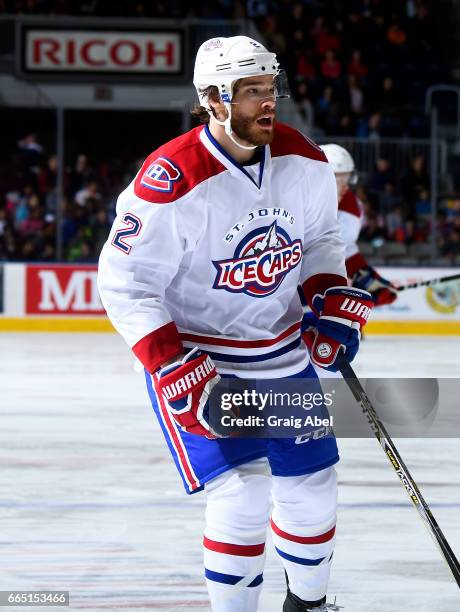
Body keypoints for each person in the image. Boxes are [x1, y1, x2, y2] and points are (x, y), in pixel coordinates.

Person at [98, 36, 373, 612]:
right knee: (244, 493)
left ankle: (309, 606)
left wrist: (326, 298)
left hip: (281, 353)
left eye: (270, 89)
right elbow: (126, 281)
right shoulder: (172, 178)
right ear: (212, 100)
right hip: (203, 361)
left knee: (313, 487)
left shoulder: (303, 157)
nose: (266, 103)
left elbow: (322, 240)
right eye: (250, 92)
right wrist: (169, 362)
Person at [319, 144, 398, 306]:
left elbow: (345, 250)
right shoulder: (287, 202)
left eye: (347, 178)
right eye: (339, 179)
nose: (346, 186)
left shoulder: (352, 207)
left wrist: (368, 280)